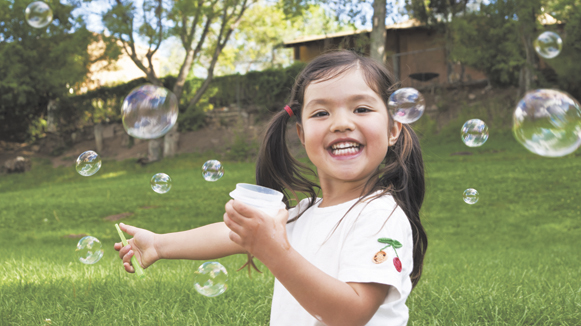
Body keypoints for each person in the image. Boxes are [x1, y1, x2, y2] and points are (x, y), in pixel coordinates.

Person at [115, 50, 427, 326]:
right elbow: (230, 233)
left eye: (361, 109)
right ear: (302, 134)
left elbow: (350, 315)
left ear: (392, 129)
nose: (341, 123)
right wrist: (158, 245)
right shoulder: (304, 212)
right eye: (321, 112)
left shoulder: (380, 215)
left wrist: (272, 250)